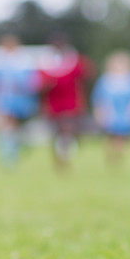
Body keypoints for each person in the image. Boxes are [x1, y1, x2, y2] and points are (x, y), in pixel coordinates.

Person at [39, 33, 93, 171]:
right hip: (53, 104)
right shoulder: (45, 63)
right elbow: (39, 85)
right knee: (56, 133)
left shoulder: (75, 60)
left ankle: (66, 158)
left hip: (71, 102)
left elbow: (88, 76)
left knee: (68, 130)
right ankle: (59, 161)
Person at [92, 51, 130, 166]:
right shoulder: (105, 81)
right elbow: (98, 99)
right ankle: (113, 157)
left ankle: (122, 158)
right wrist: (100, 114)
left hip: (128, 115)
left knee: (125, 138)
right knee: (112, 137)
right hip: (111, 115)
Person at [0, 35, 39, 168]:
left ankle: (16, 149)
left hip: (21, 100)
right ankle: (8, 155)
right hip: (5, 100)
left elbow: (30, 83)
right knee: (6, 126)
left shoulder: (24, 61)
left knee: (17, 128)